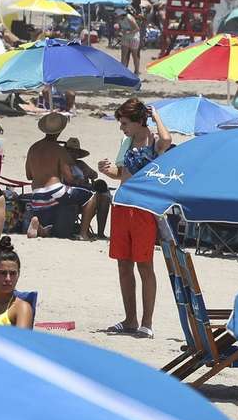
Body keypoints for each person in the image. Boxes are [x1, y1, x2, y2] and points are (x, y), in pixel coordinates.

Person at [97, 98, 171, 338]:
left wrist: (156, 116)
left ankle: (146, 322)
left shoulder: (155, 143)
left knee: (144, 265)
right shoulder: (126, 142)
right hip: (121, 205)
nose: (122, 127)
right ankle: (130, 319)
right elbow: (122, 173)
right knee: (123, 264)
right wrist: (108, 171)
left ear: (140, 121)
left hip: (143, 208)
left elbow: (168, 140)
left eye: (125, 122)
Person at [24, 112, 97, 240]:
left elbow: (29, 175)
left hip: (36, 196)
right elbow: (68, 178)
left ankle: (41, 228)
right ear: (61, 130)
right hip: (55, 191)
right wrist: (80, 181)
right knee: (90, 197)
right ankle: (83, 234)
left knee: (52, 217)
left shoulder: (33, 148)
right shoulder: (59, 150)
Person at [63, 137, 111, 238]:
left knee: (105, 197)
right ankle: (83, 230)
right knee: (94, 196)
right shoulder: (62, 164)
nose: (73, 154)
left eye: (75, 152)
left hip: (84, 193)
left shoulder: (80, 164)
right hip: (71, 194)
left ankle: (100, 233)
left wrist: (87, 172)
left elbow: (94, 174)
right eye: (71, 151)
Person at [119, 0, 142, 74]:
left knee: (134, 55)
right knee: (124, 55)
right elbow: (121, 27)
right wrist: (119, 32)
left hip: (134, 37)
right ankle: (123, 71)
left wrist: (128, 32)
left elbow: (137, 29)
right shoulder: (119, 18)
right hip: (126, 37)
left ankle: (136, 71)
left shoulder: (129, 17)